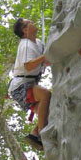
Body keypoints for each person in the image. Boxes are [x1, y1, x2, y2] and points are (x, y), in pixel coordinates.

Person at [8, 19, 51, 150]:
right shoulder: (26, 44)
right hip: (21, 85)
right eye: (30, 22)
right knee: (46, 94)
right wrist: (45, 56)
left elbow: (45, 62)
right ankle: (44, 134)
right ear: (25, 30)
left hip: (28, 82)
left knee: (49, 109)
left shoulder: (37, 43)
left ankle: (35, 133)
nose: (33, 22)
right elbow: (29, 65)